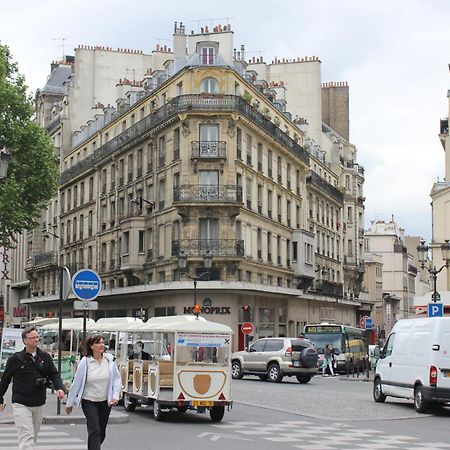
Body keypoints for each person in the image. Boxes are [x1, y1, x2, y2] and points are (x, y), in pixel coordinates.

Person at [0, 326, 65, 450]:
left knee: (33, 437)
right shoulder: (15, 359)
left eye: (37, 337)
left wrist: (60, 388)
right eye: (32, 338)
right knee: (27, 437)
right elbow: (5, 380)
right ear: (25, 340)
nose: (36, 340)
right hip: (21, 403)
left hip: (39, 402)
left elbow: (54, 374)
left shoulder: (45, 356)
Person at [65, 335, 121, 450]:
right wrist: (69, 403)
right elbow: (76, 383)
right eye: (98, 343)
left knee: (101, 432)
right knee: (94, 430)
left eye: (102, 342)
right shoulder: (85, 362)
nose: (101, 345)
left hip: (105, 401)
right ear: (91, 346)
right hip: (89, 401)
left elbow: (116, 379)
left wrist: (115, 396)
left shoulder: (109, 360)